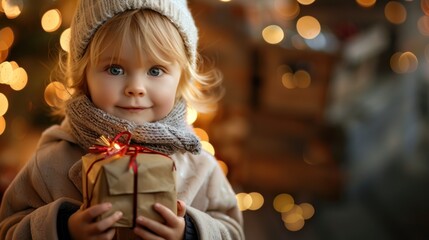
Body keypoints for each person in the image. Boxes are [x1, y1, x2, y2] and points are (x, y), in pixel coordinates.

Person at [0, 0, 245, 239]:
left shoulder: (198, 165)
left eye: (155, 70)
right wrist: (64, 227)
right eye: (115, 69)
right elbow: (9, 229)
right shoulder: (51, 162)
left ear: (181, 79)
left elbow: (232, 231)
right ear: (84, 75)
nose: (136, 88)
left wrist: (189, 231)